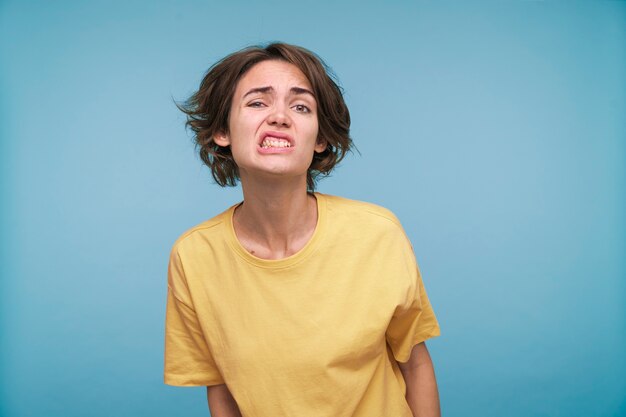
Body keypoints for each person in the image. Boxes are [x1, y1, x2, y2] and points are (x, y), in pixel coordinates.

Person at [164, 42, 441, 417]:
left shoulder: (378, 233)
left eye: (301, 107)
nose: (279, 116)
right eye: (258, 102)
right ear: (222, 131)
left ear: (321, 139)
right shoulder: (194, 256)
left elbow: (415, 363)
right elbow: (223, 388)